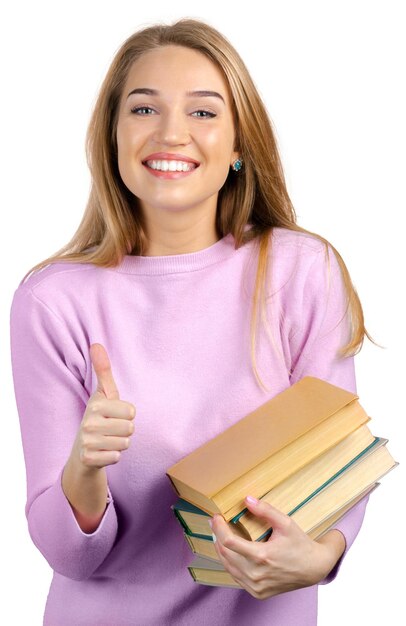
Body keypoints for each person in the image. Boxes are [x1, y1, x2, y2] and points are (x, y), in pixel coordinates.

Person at [9, 17, 376, 626]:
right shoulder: (53, 300)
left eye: (203, 112)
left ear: (238, 146)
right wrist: (85, 466)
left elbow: (339, 469)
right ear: (112, 137)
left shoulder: (299, 271)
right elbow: (67, 555)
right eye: (144, 109)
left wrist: (319, 557)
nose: (172, 133)